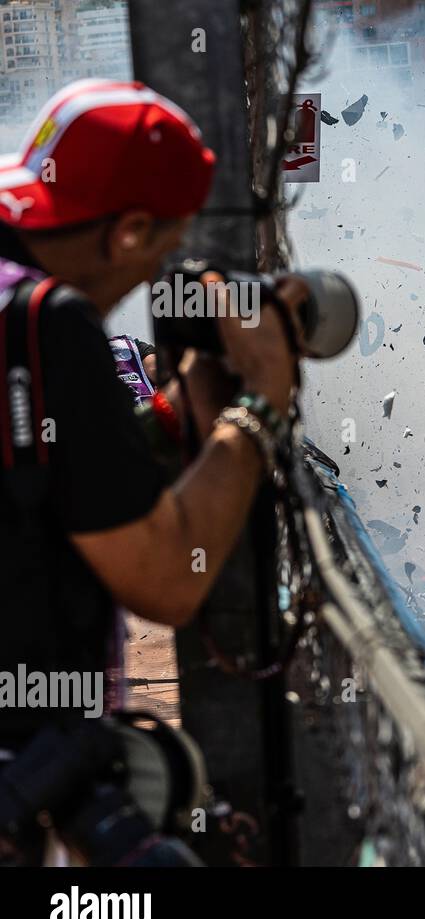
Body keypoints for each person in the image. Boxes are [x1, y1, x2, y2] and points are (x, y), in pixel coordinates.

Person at [0, 79, 303, 746]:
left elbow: (44, 479)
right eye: (165, 251)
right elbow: (166, 580)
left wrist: (178, 408)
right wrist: (260, 402)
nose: (154, 278)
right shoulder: (45, 324)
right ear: (132, 230)